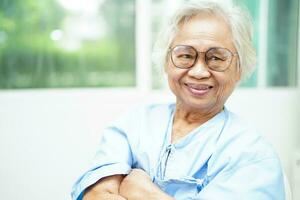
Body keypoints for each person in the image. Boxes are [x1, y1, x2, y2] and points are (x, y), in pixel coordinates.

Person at [71, 1, 285, 199]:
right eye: (185, 55)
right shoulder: (132, 125)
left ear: (239, 69)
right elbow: (97, 194)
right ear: (166, 61)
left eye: (216, 58)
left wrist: (142, 191)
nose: (199, 71)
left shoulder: (253, 156)